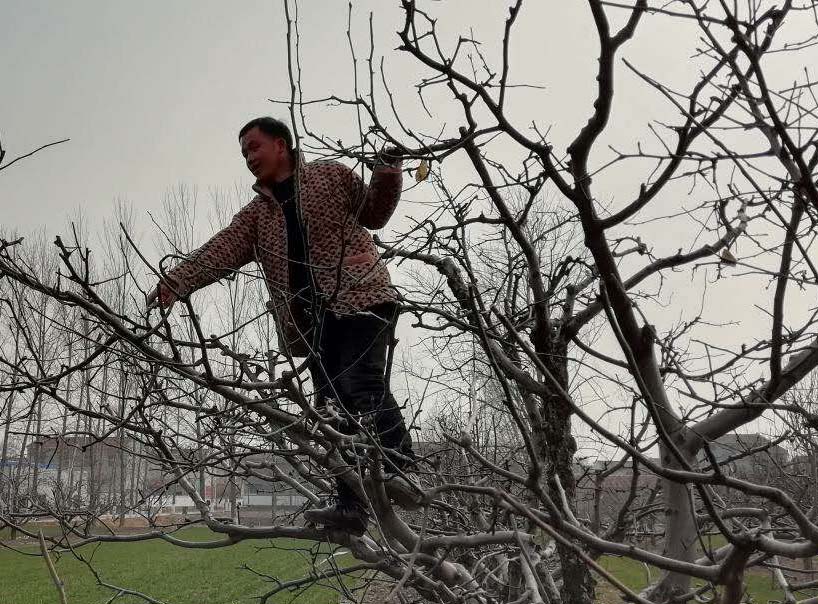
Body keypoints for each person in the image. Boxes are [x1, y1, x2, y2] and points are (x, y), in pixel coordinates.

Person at [147, 117, 415, 534]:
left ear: (282, 144)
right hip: (313, 320)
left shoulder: (330, 176)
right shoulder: (257, 216)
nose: (250, 158)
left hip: (361, 296)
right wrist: (177, 281)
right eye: (244, 154)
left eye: (255, 147)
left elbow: (375, 214)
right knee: (330, 410)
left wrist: (387, 170)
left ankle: (401, 469)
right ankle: (351, 508)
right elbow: (221, 249)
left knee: (361, 382)